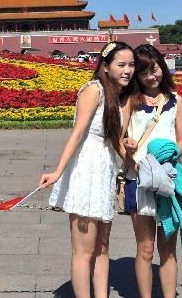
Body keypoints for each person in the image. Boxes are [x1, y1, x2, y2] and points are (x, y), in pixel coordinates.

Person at [38, 41, 135, 298]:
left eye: (131, 65)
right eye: (121, 64)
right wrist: (58, 171)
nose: (128, 70)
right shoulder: (94, 89)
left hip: (103, 170)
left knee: (103, 247)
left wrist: (134, 162)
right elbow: (79, 131)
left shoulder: (114, 94)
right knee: (84, 251)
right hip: (86, 170)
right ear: (105, 66)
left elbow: (114, 140)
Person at [120, 44, 182, 298]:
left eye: (155, 69)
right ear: (136, 75)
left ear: (162, 67)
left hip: (169, 179)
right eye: (144, 72)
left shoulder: (175, 100)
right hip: (139, 180)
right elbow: (120, 136)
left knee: (168, 249)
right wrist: (128, 149)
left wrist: (170, 159)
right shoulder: (130, 101)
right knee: (145, 248)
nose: (151, 76)